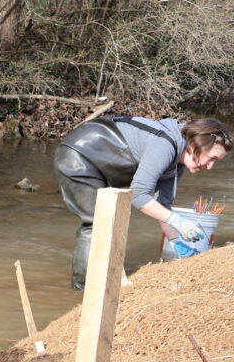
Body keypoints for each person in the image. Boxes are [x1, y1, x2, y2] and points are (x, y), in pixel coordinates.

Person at [54, 116, 231, 289]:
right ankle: (84, 288)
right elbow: (139, 195)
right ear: (194, 146)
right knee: (96, 222)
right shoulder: (164, 145)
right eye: (212, 158)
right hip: (78, 155)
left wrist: (176, 240)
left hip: (103, 164)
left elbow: (162, 206)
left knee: (107, 220)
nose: (210, 167)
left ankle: (104, 279)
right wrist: (177, 221)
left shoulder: (178, 160)